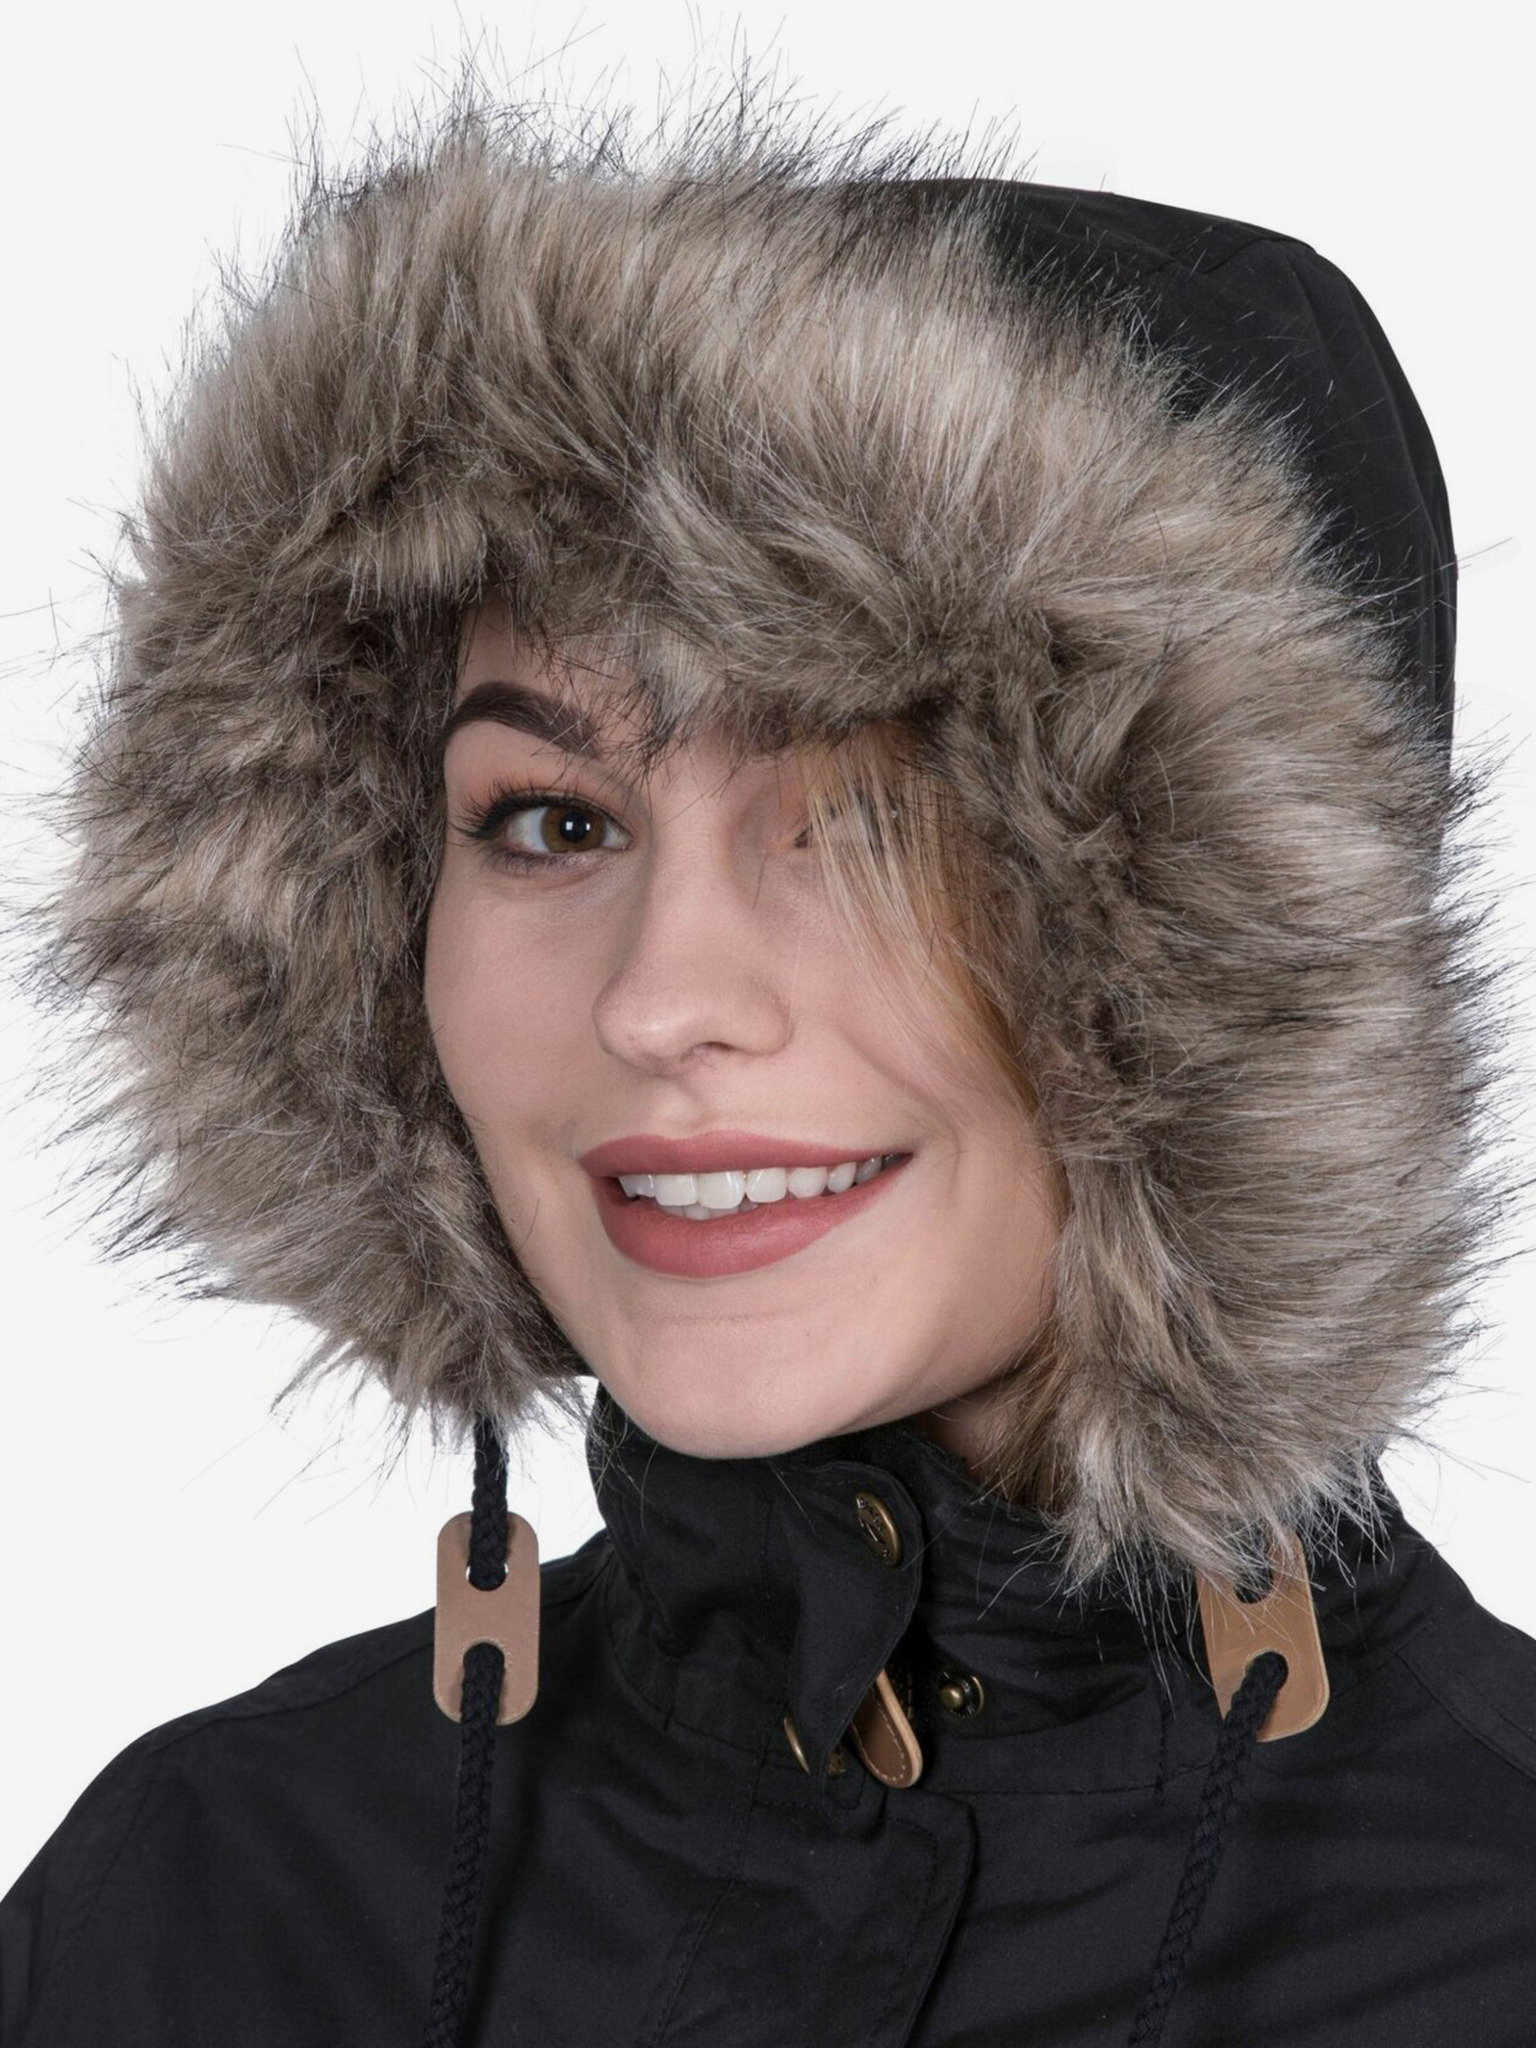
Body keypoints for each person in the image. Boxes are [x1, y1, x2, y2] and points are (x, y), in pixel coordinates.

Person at [2, 73, 1534, 2048]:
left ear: (1230, 960)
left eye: (873, 820)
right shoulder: (213, 1905)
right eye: (552, 821)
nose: (661, 1000)